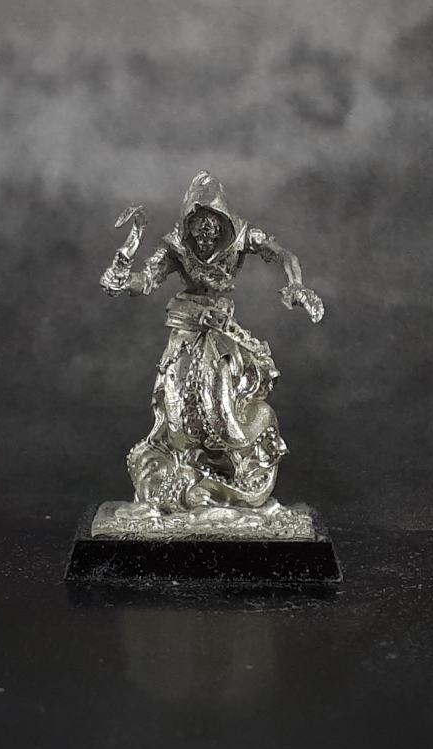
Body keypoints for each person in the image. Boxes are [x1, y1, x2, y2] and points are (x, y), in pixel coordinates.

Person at [101, 171, 323, 514]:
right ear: (189, 225)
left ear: (222, 225)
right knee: (174, 403)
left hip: (219, 333)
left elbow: (283, 255)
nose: (204, 237)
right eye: (198, 228)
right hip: (185, 329)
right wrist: (122, 280)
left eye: (211, 228)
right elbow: (146, 279)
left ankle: (233, 470)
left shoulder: (244, 236)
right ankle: (184, 472)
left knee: (219, 401)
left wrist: (296, 285)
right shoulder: (175, 245)